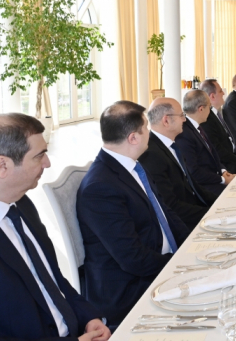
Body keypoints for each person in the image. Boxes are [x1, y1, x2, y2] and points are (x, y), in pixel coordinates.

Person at [0, 113, 110, 341]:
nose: (48, 162)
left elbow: (53, 281)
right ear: (2, 165)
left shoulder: (20, 201)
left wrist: (89, 317)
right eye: (40, 155)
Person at [77, 101, 189, 328]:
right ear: (133, 138)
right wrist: (180, 264)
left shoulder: (132, 165)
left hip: (158, 265)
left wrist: (190, 246)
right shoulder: (100, 187)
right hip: (132, 288)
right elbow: (133, 259)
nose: (150, 131)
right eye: (146, 127)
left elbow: (165, 214)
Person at [138, 97, 218, 229]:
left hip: (196, 211)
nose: (185, 119)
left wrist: (219, 204)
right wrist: (211, 214)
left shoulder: (172, 144)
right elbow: (171, 205)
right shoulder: (151, 155)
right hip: (184, 225)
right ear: (166, 120)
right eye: (181, 115)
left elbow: (193, 186)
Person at [175, 90, 236, 196]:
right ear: (201, 109)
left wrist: (223, 171)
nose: (211, 110)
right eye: (210, 107)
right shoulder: (185, 133)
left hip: (215, 177)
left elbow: (213, 153)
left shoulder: (197, 125)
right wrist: (222, 179)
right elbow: (194, 171)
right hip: (204, 187)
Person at [199, 79, 236, 174]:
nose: (223, 93)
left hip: (234, 160)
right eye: (220, 91)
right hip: (227, 168)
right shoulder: (206, 119)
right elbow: (217, 149)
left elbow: (229, 140)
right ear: (212, 96)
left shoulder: (216, 113)